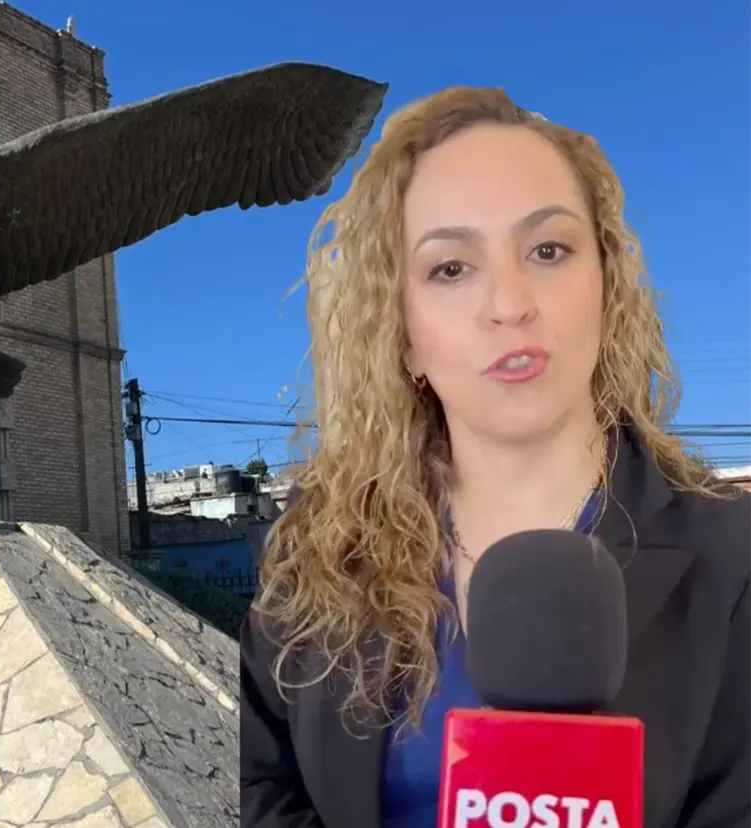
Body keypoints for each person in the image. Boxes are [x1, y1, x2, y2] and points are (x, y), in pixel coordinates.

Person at [240, 87, 751, 828]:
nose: (509, 303)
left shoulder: (733, 557)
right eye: (449, 268)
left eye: (547, 250)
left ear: (605, 288)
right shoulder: (313, 556)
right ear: (402, 332)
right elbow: (270, 789)